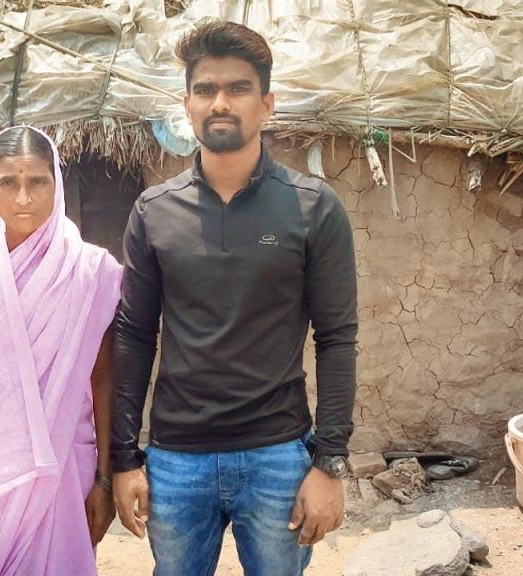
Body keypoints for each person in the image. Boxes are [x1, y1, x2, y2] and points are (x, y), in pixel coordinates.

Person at [112, 20, 359, 576]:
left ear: (266, 104)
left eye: (238, 88)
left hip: (277, 453)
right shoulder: (155, 211)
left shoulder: (314, 208)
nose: (220, 102)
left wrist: (329, 462)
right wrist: (125, 458)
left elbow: (338, 338)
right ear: (187, 104)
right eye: (206, 89)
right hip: (176, 458)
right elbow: (132, 336)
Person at [0, 125, 121, 575]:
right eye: (8, 182)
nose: (23, 197)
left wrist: (103, 478)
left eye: (37, 181)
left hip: (66, 466)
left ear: (56, 185)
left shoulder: (88, 271)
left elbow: (103, 381)